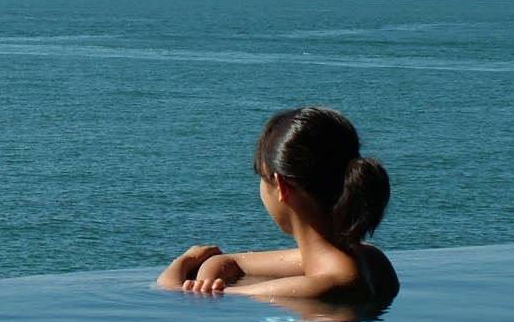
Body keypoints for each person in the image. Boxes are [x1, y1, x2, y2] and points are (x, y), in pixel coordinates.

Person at [156, 107, 397, 300]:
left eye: (262, 178)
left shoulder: (318, 288)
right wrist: (206, 276)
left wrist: (184, 261)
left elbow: (173, 292)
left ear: (281, 186)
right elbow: (229, 262)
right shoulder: (371, 258)